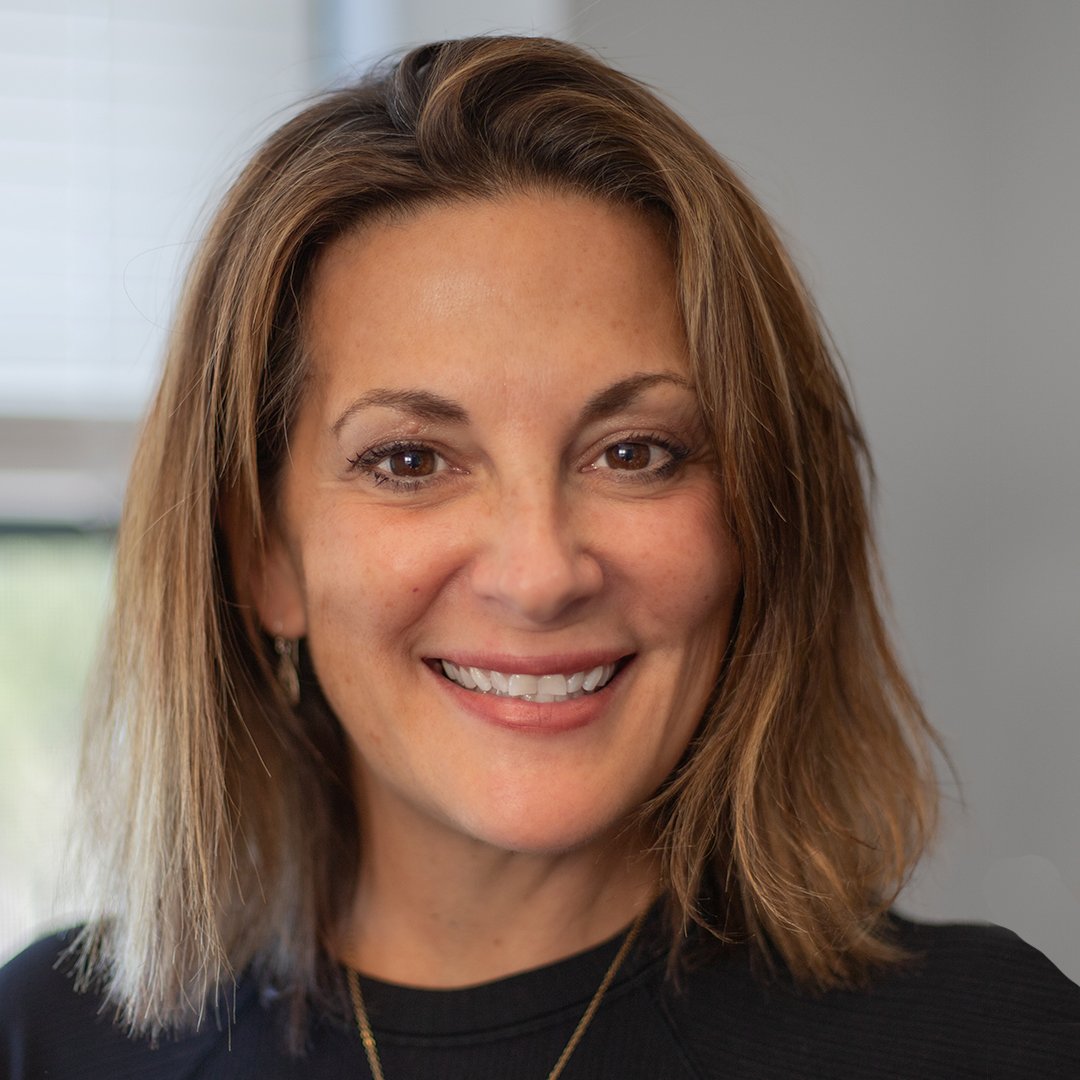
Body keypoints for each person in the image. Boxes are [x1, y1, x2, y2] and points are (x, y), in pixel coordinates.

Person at [1, 35, 1076, 1080]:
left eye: (635, 452)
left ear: (756, 519)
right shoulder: (48, 1040)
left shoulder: (992, 1045)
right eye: (411, 459)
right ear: (264, 559)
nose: (540, 572)